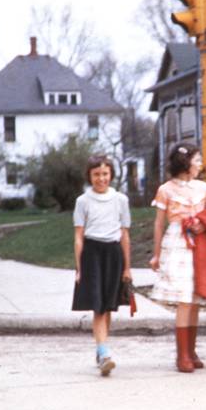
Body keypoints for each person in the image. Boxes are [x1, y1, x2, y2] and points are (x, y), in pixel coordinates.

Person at [149, 143, 206, 373]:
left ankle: (192, 349)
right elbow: (159, 223)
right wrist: (156, 254)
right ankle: (182, 354)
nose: (200, 165)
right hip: (178, 243)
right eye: (197, 161)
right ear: (186, 164)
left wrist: (203, 224)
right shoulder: (166, 190)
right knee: (184, 298)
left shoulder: (204, 188)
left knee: (195, 298)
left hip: (200, 243)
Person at [71, 154, 132, 377]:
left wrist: (127, 267)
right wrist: (79, 268)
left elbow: (125, 235)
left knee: (107, 306)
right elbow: (78, 236)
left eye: (105, 174)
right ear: (89, 176)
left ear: (111, 175)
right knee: (97, 306)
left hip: (113, 253)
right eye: (96, 174)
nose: (101, 178)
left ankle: (101, 349)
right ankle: (104, 352)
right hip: (92, 254)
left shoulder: (120, 200)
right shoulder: (83, 201)